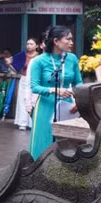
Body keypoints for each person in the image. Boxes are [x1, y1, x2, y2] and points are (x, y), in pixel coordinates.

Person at [29, 26, 82, 159]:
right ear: (56, 41)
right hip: (45, 106)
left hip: (67, 106)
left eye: (72, 39)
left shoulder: (72, 58)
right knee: (44, 141)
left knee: (66, 142)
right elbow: (34, 87)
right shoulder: (39, 61)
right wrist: (54, 90)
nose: (72, 42)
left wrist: (80, 100)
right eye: (68, 39)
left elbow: (78, 83)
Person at [13, 38, 39, 131]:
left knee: (33, 100)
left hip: (35, 80)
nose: (29, 46)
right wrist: (9, 64)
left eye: (31, 44)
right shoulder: (22, 56)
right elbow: (16, 68)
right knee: (22, 100)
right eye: (27, 44)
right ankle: (22, 123)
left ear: (37, 46)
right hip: (24, 79)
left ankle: (33, 123)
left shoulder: (39, 57)